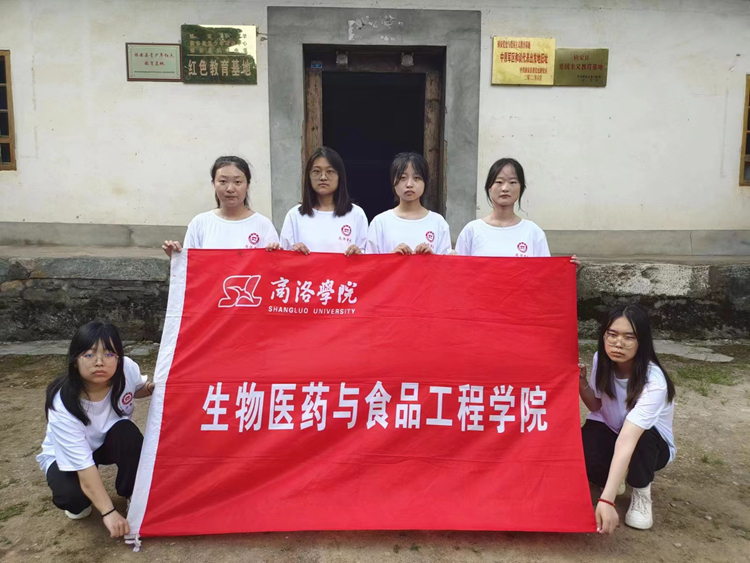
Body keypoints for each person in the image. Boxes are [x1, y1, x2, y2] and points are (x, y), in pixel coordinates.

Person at [37, 322, 154, 538]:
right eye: (89, 355)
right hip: (70, 455)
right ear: (75, 360)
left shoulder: (127, 369)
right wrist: (108, 511)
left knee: (127, 432)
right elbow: (83, 465)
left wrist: (151, 389)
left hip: (108, 441)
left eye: (109, 354)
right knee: (74, 500)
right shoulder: (62, 403)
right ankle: (80, 501)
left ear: (118, 358)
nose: (100, 362)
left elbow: (136, 388)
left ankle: (133, 493)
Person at [579, 304, 676, 534]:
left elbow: (628, 439)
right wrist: (580, 382)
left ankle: (641, 491)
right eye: (612, 334)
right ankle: (616, 477)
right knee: (581, 448)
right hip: (613, 430)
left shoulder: (654, 381)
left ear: (642, 341)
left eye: (628, 337)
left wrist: (606, 500)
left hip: (649, 444)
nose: (618, 343)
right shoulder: (601, 360)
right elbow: (596, 406)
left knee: (643, 437)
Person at [455, 158, 579, 264]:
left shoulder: (533, 232)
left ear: (521, 189)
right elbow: (459, 272)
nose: (505, 188)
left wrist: (566, 269)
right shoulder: (472, 230)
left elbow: (544, 274)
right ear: (489, 188)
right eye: (499, 182)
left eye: (513, 182)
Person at [162, 156, 279, 256]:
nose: (230, 189)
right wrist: (177, 257)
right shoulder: (200, 223)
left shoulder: (263, 225)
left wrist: (274, 254)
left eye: (237, 182)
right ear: (214, 183)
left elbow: (272, 269)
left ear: (247, 185)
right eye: (223, 181)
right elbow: (191, 268)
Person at [270, 147, 367, 256]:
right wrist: (294, 252)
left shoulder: (356, 214)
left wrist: (359, 254)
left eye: (330, 171)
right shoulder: (295, 216)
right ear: (309, 176)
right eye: (316, 171)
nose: (323, 177)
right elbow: (284, 258)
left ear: (340, 176)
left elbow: (368, 259)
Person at [365, 152, 450, 255]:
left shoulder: (438, 223)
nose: (409, 184)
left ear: (425, 182)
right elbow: (370, 262)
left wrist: (432, 258)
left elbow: (446, 263)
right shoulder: (380, 223)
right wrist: (390, 258)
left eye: (416, 178)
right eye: (403, 178)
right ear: (393, 182)